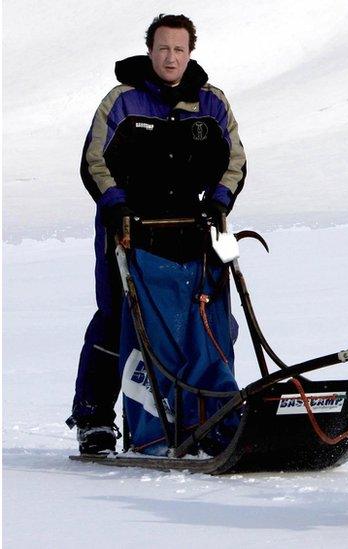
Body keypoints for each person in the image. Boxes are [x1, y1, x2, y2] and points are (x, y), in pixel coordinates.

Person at [67, 14, 246, 454]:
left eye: (179, 49)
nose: (171, 57)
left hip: (190, 230)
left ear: (190, 53)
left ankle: (203, 415)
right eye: (163, 48)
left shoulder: (212, 103)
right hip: (128, 229)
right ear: (150, 50)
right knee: (115, 318)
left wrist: (220, 201)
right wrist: (116, 206)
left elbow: (235, 161)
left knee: (204, 322)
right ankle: (95, 420)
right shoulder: (123, 101)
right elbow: (94, 161)